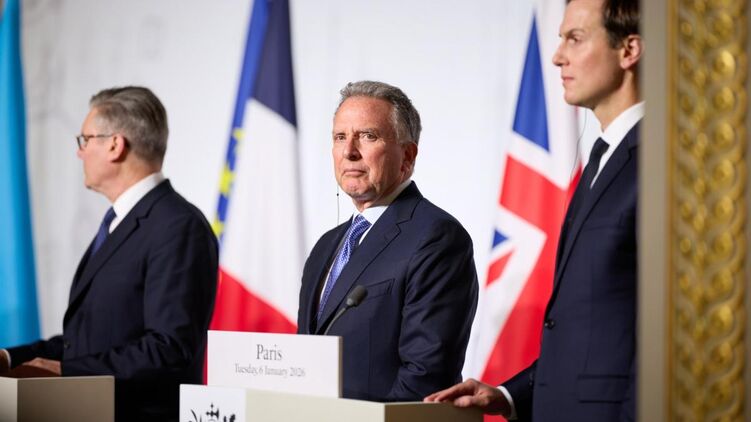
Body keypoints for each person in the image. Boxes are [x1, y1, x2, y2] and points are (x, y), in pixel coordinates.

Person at [425, 0, 642, 420]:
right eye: (560, 39)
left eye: (575, 39)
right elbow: (588, 335)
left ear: (629, 50)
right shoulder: (601, 160)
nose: (557, 57)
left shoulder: (661, 166)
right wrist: (507, 396)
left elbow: (661, 334)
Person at [0, 86, 219, 422]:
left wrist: (67, 372)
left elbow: (169, 349)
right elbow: (85, 343)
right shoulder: (120, 222)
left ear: (115, 145)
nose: (80, 153)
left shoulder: (178, 226)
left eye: (85, 140)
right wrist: (8, 358)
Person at [297, 80, 479, 401]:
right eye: (340, 137)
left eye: (368, 136)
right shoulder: (326, 246)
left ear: (407, 155)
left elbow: (425, 376)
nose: (349, 151)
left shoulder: (436, 238)